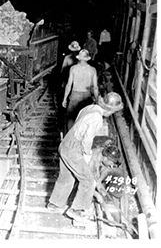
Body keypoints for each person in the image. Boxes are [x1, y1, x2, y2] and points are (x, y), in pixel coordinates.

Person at [47, 92, 124, 225]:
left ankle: (54, 204)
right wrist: (87, 156)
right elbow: (87, 140)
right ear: (110, 110)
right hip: (74, 149)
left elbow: (78, 124)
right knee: (88, 181)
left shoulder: (90, 108)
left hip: (65, 144)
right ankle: (76, 210)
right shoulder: (97, 118)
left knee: (66, 178)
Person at [62, 49, 99, 133]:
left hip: (75, 95)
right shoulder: (92, 70)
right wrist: (96, 100)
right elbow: (95, 87)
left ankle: (70, 136)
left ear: (79, 58)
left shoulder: (73, 68)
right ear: (87, 58)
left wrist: (65, 98)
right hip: (87, 96)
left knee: (71, 118)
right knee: (85, 119)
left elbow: (68, 85)